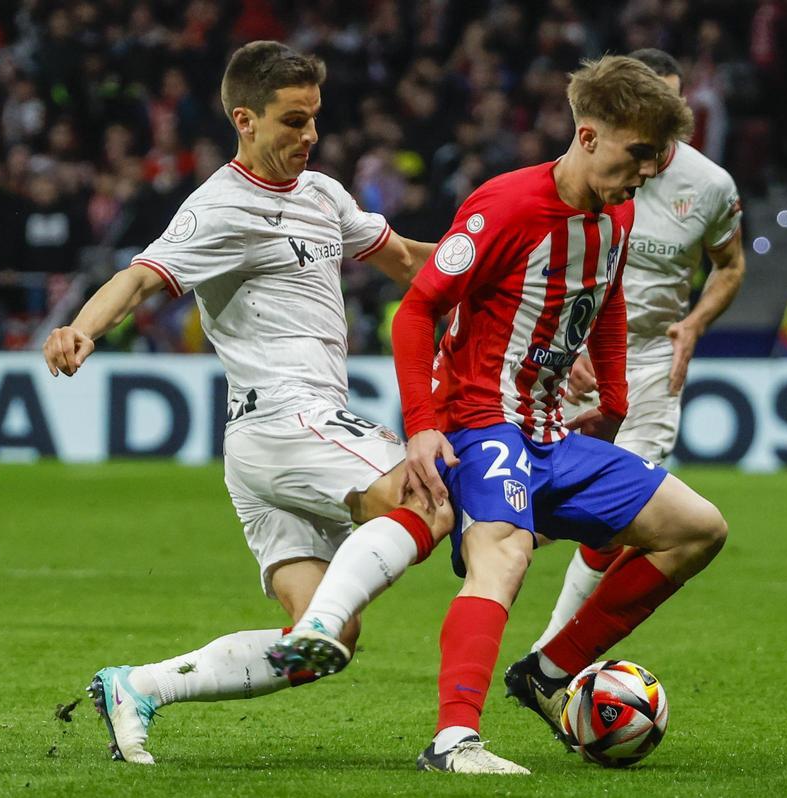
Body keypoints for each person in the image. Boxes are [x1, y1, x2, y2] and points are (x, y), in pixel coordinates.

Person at [269, 55, 727, 775]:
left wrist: (612, 404)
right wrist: (422, 423)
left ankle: (549, 671)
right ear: (588, 136)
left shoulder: (619, 210)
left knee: (697, 530)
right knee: (503, 554)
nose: (645, 173)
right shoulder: (505, 205)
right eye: (638, 154)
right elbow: (417, 309)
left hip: (550, 429)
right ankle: (453, 740)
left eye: (657, 161)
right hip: (480, 420)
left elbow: (605, 301)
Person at [42, 41, 452, 766]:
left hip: (268, 445)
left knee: (328, 643)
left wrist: (491, 259)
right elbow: (140, 278)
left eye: (315, 119)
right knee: (422, 499)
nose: (311, 136)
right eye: (293, 121)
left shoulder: (324, 195)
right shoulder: (220, 208)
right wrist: (82, 327)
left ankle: (137, 686)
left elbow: (407, 261)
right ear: (246, 120)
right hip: (288, 420)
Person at [531, 48, 746, 652]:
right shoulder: (588, 165)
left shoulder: (708, 186)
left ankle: (552, 653)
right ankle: (476, 536)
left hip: (652, 362)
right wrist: (559, 336)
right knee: (542, 499)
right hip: (570, 360)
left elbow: (730, 266)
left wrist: (696, 322)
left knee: (626, 520)